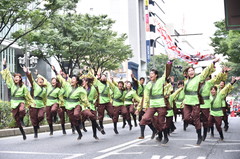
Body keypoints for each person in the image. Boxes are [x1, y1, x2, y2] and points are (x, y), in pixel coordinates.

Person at [183, 58, 219, 145]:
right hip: (187, 102)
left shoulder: (198, 78)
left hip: (195, 102)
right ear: (187, 73)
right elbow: (185, 92)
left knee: (196, 119)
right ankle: (198, 125)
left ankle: (199, 136)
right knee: (186, 118)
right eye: (189, 71)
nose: (191, 72)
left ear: (194, 72)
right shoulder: (186, 81)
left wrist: (213, 62)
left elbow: (206, 71)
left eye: (192, 70)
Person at [136, 61, 172, 144]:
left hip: (161, 105)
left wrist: (169, 63)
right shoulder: (148, 84)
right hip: (152, 106)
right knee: (144, 119)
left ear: (156, 75)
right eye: (150, 73)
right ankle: (155, 131)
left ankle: (165, 137)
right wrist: (145, 107)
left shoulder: (161, 80)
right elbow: (146, 96)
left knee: (161, 122)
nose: (151, 75)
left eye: (152, 73)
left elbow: (166, 72)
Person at [0, 59, 34, 140]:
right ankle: (23, 133)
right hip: (13, 102)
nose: (16, 78)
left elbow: (27, 95)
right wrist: (4, 65)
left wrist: (31, 102)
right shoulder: (11, 84)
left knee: (22, 110)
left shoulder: (23, 87)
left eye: (17, 77)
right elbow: (7, 76)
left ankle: (22, 118)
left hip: (21, 101)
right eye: (15, 77)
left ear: (20, 79)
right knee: (16, 119)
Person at [54, 67, 89, 140]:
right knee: (73, 121)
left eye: (74, 79)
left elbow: (84, 99)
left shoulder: (80, 89)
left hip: (77, 104)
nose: (72, 80)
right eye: (72, 79)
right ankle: (80, 134)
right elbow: (61, 79)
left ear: (76, 81)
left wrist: (87, 106)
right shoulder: (67, 85)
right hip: (68, 105)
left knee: (76, 114)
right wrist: (55, 70)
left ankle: (80, 121)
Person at [199, 68, 227, 141]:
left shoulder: (211, 84)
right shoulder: (197, 83)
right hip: (200, 105)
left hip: (214, 107)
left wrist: (223, 72)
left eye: (207, 77)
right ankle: (208, 132)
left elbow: (218, 80)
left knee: (217, 125)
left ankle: (224, 129)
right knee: (207, 122)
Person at [23, 67, 47, 138]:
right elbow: (31, 79)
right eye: (39, 80)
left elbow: (45, 98)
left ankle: (37, 124)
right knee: (33, 118)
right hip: (34, 103)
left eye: (42, 80)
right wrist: (27, 72)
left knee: (41, 116)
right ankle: (35, 131)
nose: (40, 80)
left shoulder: (45, 89)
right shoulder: (35, 85)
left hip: (41, 104)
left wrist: (45, 105)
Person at [36, 71, 62, 135]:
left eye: (54, 81)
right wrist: (38, 74)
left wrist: (60, 104)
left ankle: (55, 116)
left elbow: (60, 98)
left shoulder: (58, 89)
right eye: (52, 80)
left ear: (56, 82)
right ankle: (51, 130)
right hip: (48, 102)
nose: (53, 82)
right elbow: (44, 79)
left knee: (53, 110)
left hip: (55, 102)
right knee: (48, 117)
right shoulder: (48, 86)